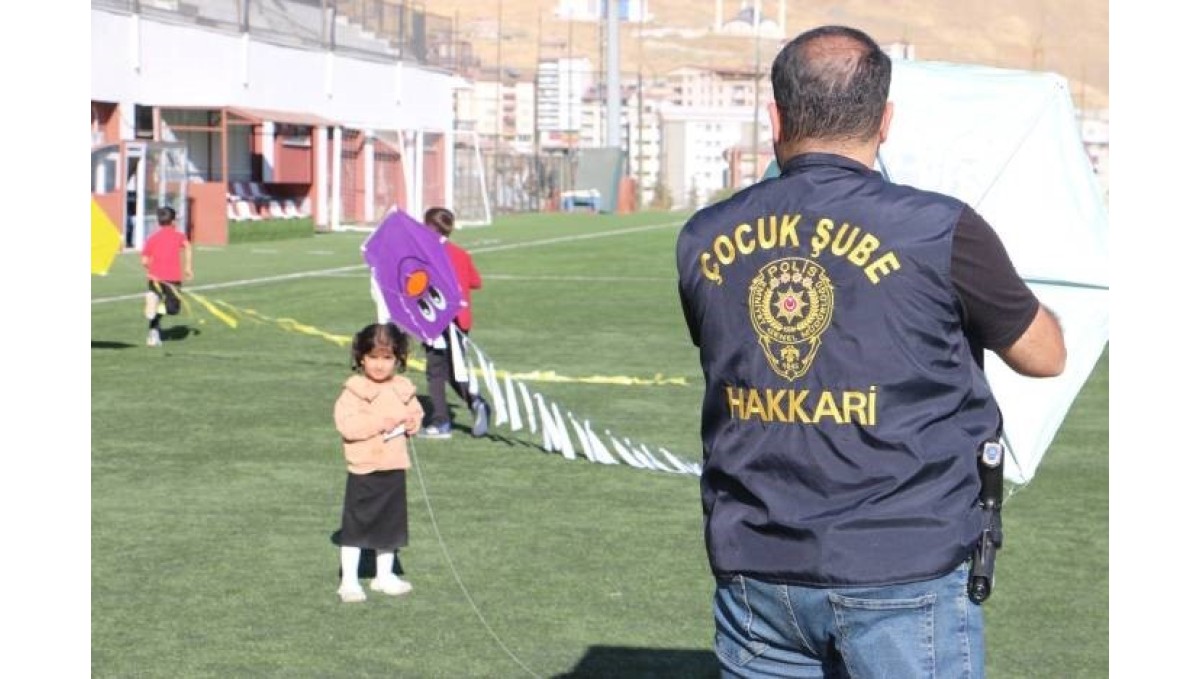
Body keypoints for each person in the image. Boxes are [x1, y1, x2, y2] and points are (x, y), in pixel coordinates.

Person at [675, 25, 1066, 677]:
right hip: (901, 567)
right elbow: (1043, 352)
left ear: (775, 117)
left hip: (755, 567)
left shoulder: (703, 236)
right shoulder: (941, 227)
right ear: (885, 122)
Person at [332, 322, 426, 603]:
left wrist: (413, 422)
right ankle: (349, 580)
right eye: (373, 357)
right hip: (364, 468)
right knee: (357, 526)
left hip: (394, 467)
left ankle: (384, 575)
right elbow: (348, 427)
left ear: (398, 359)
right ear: (361, 357)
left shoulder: (403, 388)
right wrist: (378, 423)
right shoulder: (354, 391)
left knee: (390, 527)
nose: (380, 365)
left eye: (387, 358)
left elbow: (415, 411)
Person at [418, 206, 491, 439]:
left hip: (439, 320)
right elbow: (476, 282)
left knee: (436, 372)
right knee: (453, 370)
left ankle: (441, 422)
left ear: (429, 228)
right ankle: (476, 403)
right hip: (461, 322)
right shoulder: (460, 253)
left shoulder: (426, 255)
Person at [140, 205, 193, 347]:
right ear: (174, 221)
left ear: (158, 222)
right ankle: (156, 309)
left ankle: (153, 331)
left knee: (156, 305)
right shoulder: (178, 236)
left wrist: (150, 268)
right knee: (173, 309)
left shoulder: (152, 238)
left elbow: (144, 260)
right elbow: (187, 246)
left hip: (154, 278)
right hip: (172, 279)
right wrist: (188, 267)